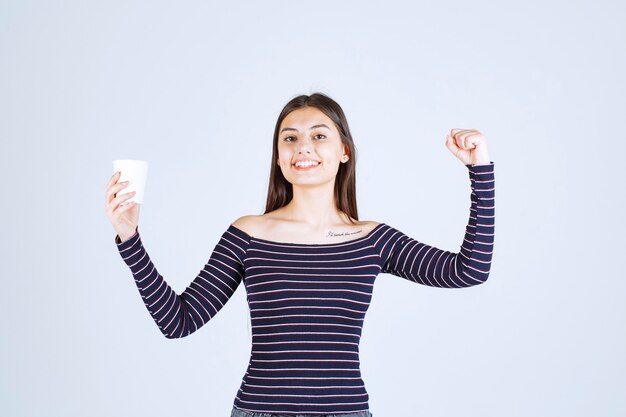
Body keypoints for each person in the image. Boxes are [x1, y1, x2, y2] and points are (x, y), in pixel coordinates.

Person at [105, 92, 495, 417]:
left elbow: (469, 270)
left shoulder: (371, 239)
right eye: (289, 138)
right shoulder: (248, 234)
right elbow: (179, 321)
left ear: (344, 150)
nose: (303, 147)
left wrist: (480, 169)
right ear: (278, 157)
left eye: (319, 136)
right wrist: (129, 237)